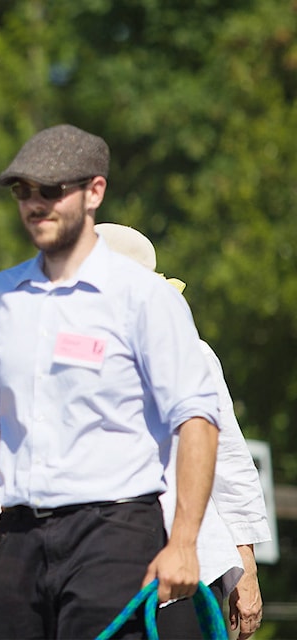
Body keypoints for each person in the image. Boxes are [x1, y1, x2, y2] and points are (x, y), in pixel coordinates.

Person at [0, 124, 222, 639]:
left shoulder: (143, 297)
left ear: (94, 192)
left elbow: (197, 421)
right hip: (19, 537)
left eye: (52, 190)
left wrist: (184, 539)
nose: (35, 203)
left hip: (113, 535)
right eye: (23, 192)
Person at [95, 223, 269, 640]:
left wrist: (245, 566)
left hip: (185, 566)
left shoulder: (190, 354)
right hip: (85, 567)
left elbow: (228, 461)